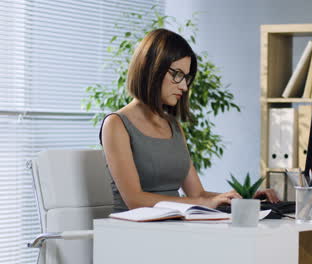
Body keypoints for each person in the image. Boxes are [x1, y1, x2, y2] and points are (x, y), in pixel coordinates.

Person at [99, 28, 279, 212]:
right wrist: (203, 203)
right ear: (151, 68)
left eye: (186, 78)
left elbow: (197, 195)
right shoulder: (116, 124)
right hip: (131, 232)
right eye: (177, 74)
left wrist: (243, 200)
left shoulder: (173, 126)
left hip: (174, 227)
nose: (184, 86)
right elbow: (135, 200)